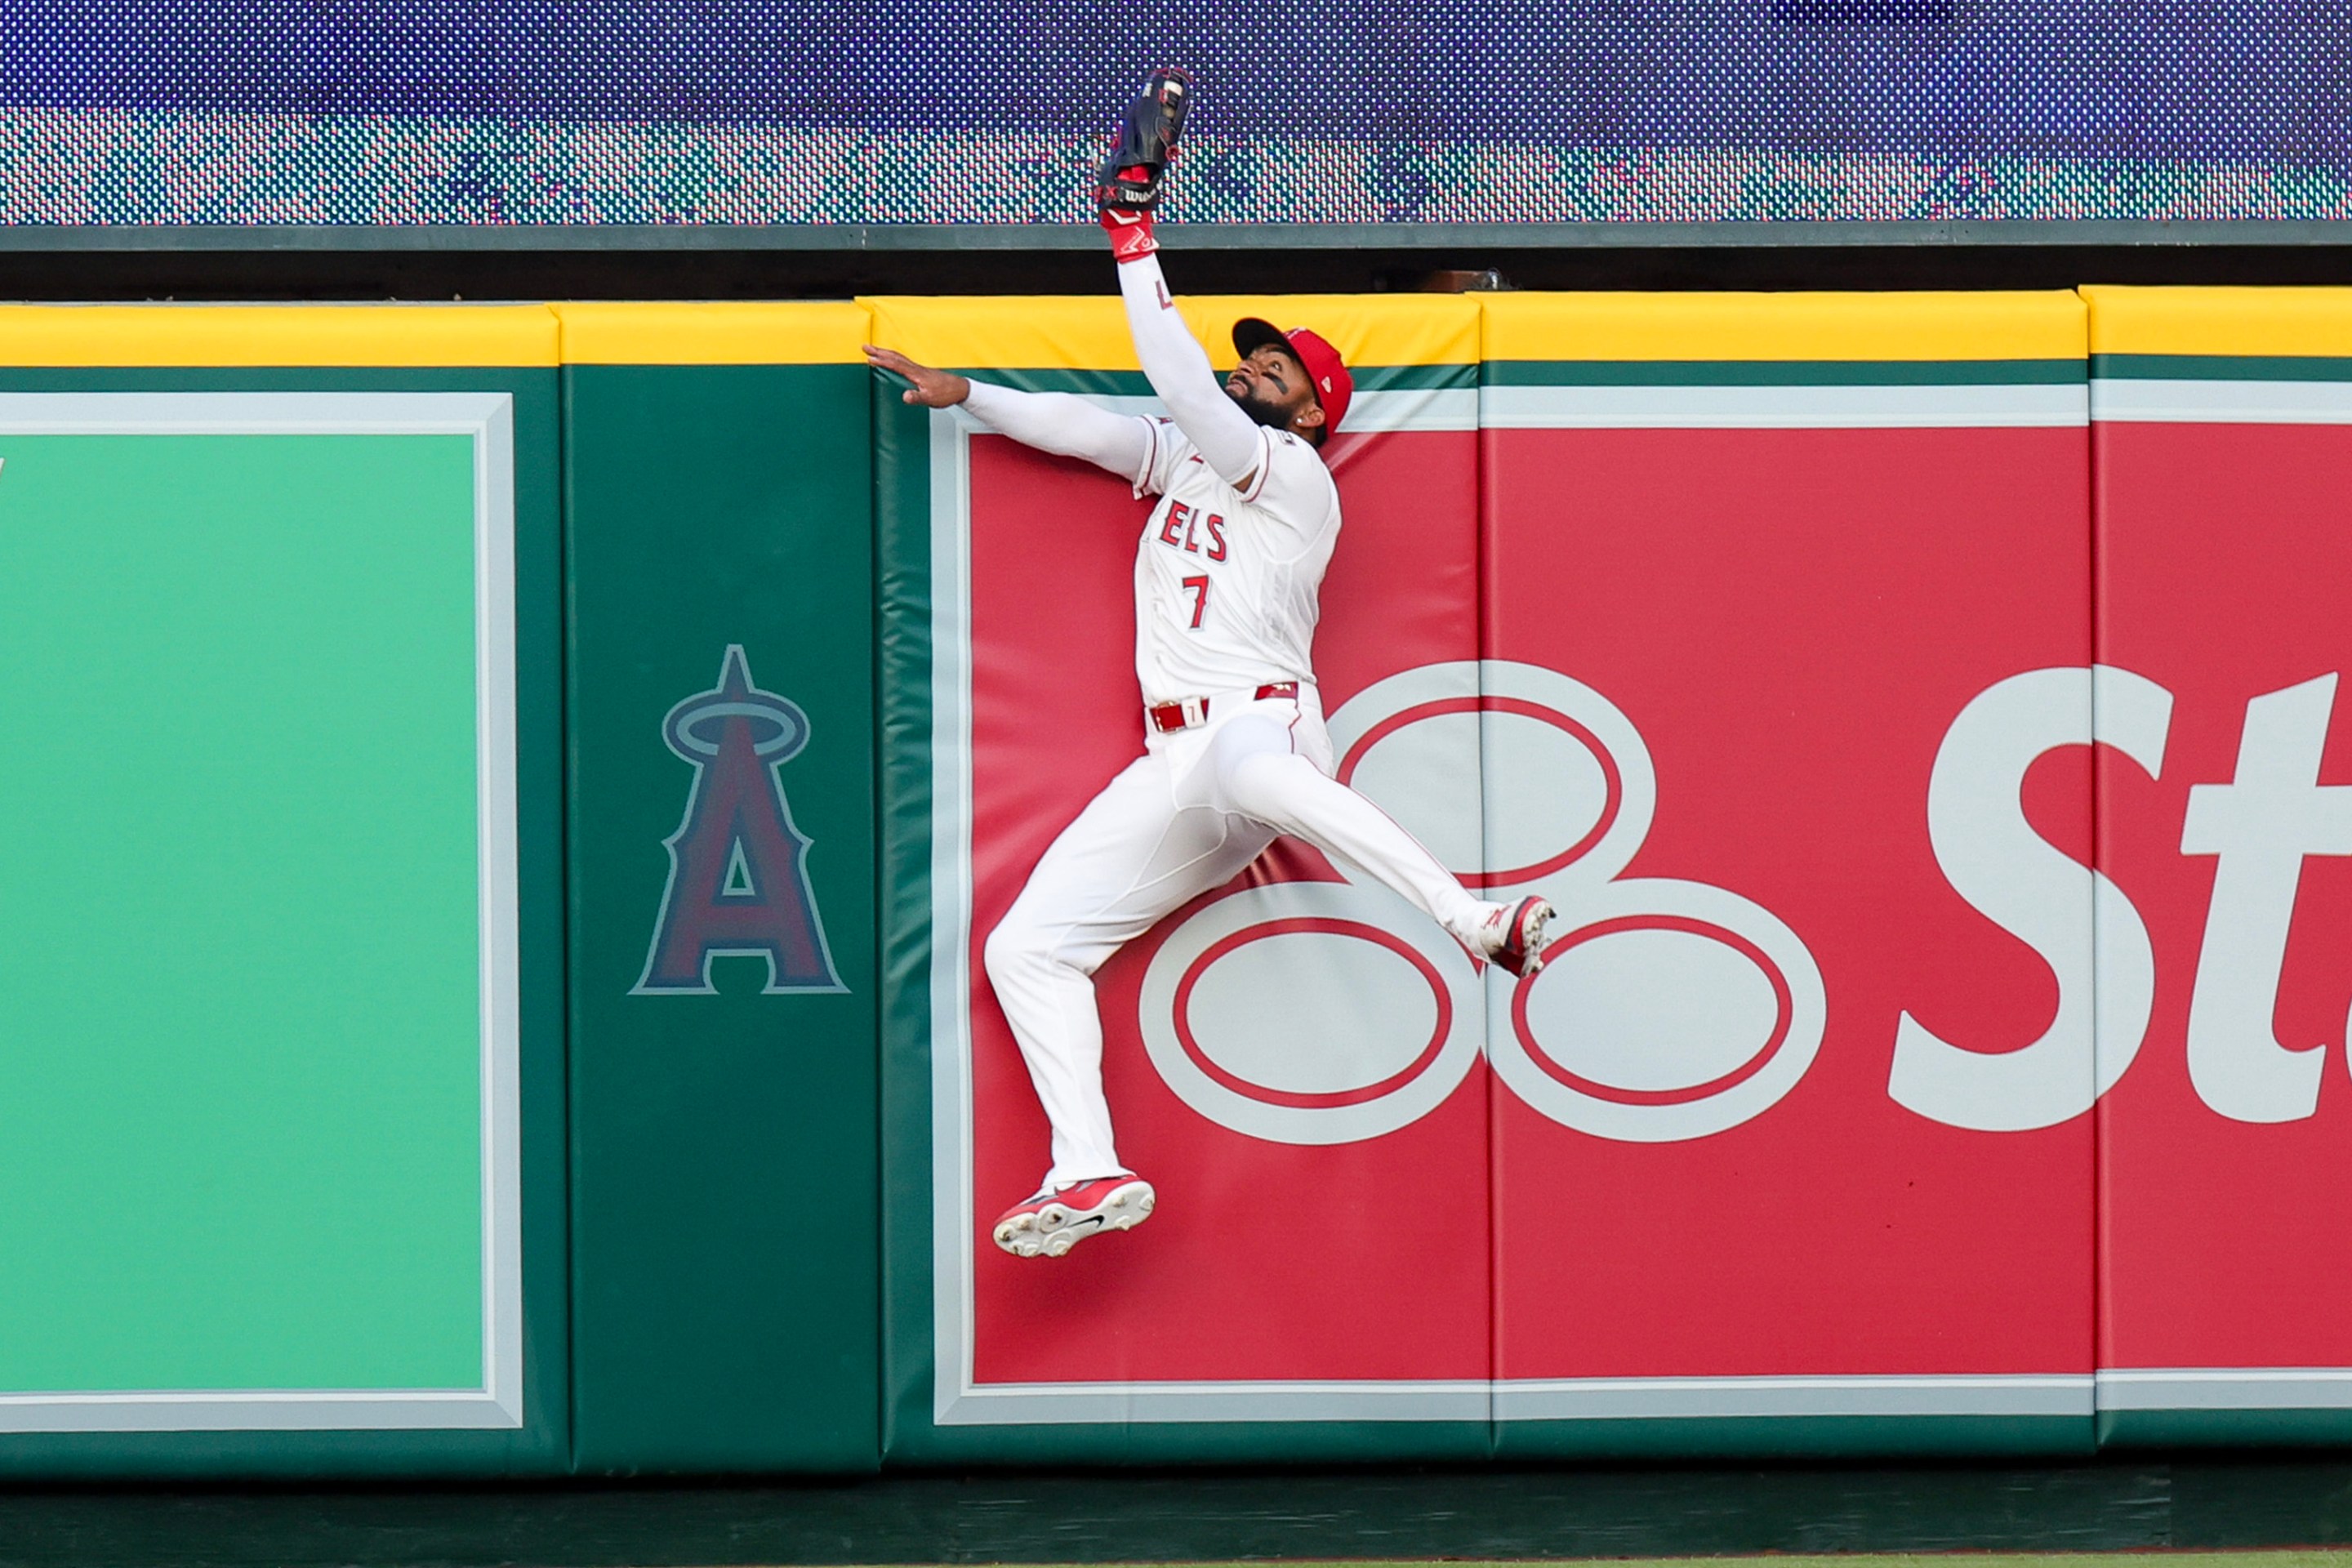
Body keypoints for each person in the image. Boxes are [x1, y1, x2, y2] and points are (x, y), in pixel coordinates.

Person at [863, 70, 1552, 1260]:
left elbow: (1179, 379)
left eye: (1279, 369)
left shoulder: (1292, 477)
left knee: (1259, 771)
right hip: (1178, 757)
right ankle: (1087, 1170)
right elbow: (1107, 430)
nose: (1255, 367)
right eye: (1257, 358)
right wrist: (967, 393)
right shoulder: (1194, 458)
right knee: (1026, 948)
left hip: (1263, 725)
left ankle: (1472, 915)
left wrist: (1133, 235)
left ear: (1312, 414)